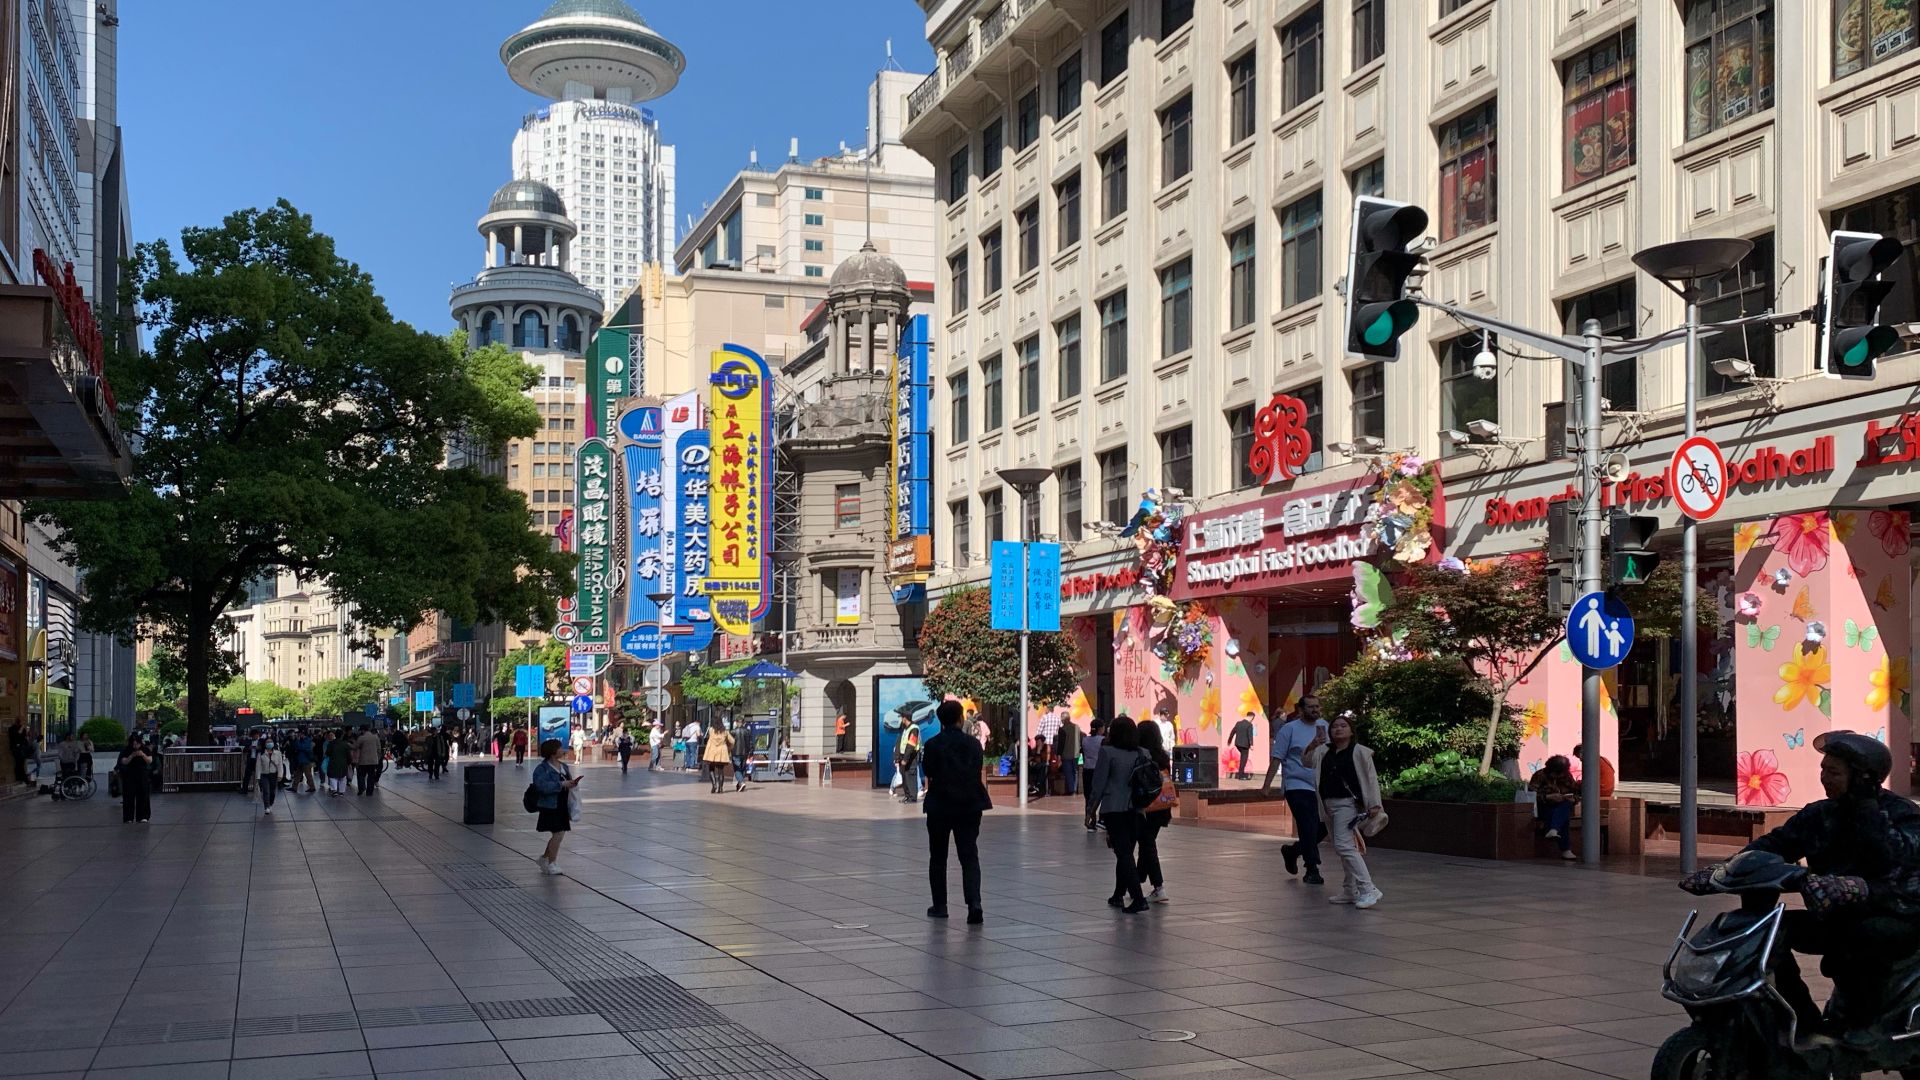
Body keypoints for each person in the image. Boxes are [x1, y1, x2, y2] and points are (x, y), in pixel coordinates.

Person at [1682, 732, 1920, 1036]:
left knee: (1865, 936)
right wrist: (1727, 869)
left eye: (1833, 772)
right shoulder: (1820, 814)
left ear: (1863, 778)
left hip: (1894, 917)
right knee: (1769, 933)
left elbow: (1895, 856)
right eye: (1822, 769)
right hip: (1836, 916)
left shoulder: (1902, 815)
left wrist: (1865, 812)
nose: (1824, 778)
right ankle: (1802, 1024)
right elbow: (1776, 843)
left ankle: (1862, 1027)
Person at [921, 699, 989, 923]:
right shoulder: (973, 744)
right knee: (969, 855)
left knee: (938, 857)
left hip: (940, 805)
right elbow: (977, 769)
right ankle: (974, 904)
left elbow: (929, 771)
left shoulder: (932, 745)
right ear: (961, 718)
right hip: (969, 804)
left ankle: (940, 905)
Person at [1306, 713, 1385, 907]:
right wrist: (1313, 744)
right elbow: (1307, 762)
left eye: (1343, 726)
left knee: (1344, 845)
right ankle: (1350, 890)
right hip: (1328, 804)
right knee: (1344, 846)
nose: (1338, 729)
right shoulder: (1324, 750)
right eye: (1334, 726)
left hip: (1347, 804)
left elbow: (1371, 778)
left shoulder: (1359, 752)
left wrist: (1375, 803)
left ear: (1351, 731)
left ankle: (1368, 888)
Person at [1262, 694, 1328, 886]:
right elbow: (1277, 758)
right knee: (1307, 823)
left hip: (1319, 785)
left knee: (1322, 826)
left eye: (1317, 706)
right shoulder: (1289, 729)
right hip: (1296, 785)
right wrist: (1266, 785)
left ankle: (1293, 851)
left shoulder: (1325, 727)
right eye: (1310, 707)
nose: (1315, 710)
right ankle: (1312, 868)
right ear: (1301, 710)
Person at [1090, 716, 1151, 913]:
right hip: (1137, 809)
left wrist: (1090, 810)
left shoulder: (1107, 752)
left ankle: (1138, 898)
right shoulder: (1143, 753)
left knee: (1123, 853)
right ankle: (1118, 894)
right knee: (1125, 852)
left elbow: (1098, 785)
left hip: (1115, 809)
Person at [530, 738, 582, 875]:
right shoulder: (542, 769)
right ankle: (552, 862)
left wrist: (571, 783)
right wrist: (560, 785)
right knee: (558, 833)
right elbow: (541, 786)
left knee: (559, 833)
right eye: (559, 748)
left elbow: (567, 781)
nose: (562, 750)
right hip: (550, 805)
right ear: (553, 751)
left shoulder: (564, 766)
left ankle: (545, 858)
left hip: (562, 804)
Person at [1135, 720, 1173, 904]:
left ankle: (1159, 887)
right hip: (1162, 807)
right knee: (1147, 843)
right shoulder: (1163, 757)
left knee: (1148, 845)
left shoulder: (1142, 756)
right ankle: (1137, 879)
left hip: (1146, 807)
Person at [1528, 755, 1580, 860]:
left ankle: (1554, 830)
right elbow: (1531, 796)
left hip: (1561, 806)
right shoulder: (1540, 775)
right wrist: (1548, 797)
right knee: (1562, 817)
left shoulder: (1567, 776)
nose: (1558, 776)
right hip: (1543, 807)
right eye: (1556, 773)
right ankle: (1565, 849)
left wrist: (1573, 799)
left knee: (1564, 807)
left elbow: (1576, 793)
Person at [116, 736, 153, 823]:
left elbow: (149, 760)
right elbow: (124, 761)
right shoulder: (126, 750)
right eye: (134, 744)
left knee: (143, 794)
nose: (135, 746)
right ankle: (128, 817)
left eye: (137, 743)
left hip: (142, 774)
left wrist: (142, 755)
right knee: (129, 796)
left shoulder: (145, 749)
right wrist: (132, 756)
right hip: (129, 775)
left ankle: (143, 816)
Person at [1081, 719, 1106, 832]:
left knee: (1088, 796)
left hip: (1087, 770)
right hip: (1098, 770)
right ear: (1101, 728)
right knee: (1099, 795)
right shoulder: (1103, 740)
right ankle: (1102, 820)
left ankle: (1091, 821)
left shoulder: (1085, 740)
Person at [256, 738, 287, 815]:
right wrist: (258, 777)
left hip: (274, 774)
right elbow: (258, 766)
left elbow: (280, 765)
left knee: (272, 792)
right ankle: (266, 807)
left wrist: (280, 775)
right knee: (266, 791)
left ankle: (270, 803)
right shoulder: (261, 754)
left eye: (271, 742)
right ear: (265, 744)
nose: (269, 743)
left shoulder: (278, 753)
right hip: (264, 775)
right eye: (267, 742)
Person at [703, 719, 734, 793]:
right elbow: (732, 741)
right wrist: (729, 748)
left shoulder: (711, 730)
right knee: (720, 771)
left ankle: (714, 784)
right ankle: (720, 788)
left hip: (711, 752)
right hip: (721, 752)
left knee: (711, 769)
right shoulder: (725, 731)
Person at [1055, 715, 1083, 799]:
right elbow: (1081, 737)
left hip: (1066, 754)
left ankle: (1072, 790)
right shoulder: (1077, 727)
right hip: (1076, 754)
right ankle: (1075, 789)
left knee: (1069, 773)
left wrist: (1059, 754)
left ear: (1064, 719)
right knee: (1075, 772)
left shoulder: (1062, 729)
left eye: (1061, 719)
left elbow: (1061, 743)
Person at [894, 722, 921, 803]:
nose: (900, 719)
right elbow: (899, 743)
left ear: (905, 718)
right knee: (905, 777)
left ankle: (912, 798)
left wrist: (905, 759)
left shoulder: (913, 729)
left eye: (902, 717)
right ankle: (907, 796)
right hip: (902, 757)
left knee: (911, 777)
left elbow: (911, 745)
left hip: (911, 757)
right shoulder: (905, 729)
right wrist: (897, 757)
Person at [354, 725, 383, 796]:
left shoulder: (361, 738)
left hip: (363, 761)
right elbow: (379, 749)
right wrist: (377, 758)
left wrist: (348, 744)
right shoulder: (375, 737)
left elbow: (355, 747)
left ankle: (362, 788)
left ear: (363, 730)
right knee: (371, 776)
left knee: (361, 775)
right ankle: (369, 792)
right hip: (373, 761)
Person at [1229, 711, 1257, 780]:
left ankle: (1240, 774)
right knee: (1243, 759)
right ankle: (1241, 775)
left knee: (1242, 758)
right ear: (1252, 717)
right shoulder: (1249, 725)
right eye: (1253, 719)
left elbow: (1233, 732)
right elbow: (1250, 735)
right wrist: (1251, 744)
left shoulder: (1238, 723)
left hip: (1238, 744)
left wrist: (1229, 740)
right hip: (1245, 745)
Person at [325, 729, 352, 796]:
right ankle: (341, 791)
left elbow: (327, 753)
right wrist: (349, 762)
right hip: (343, 763)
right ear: (342, 735)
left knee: (333, 777)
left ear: (335, 735)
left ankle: (334, 790)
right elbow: (349, 755)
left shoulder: (331, 743)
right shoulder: (345, 744)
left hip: (333, 763)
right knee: (342, 777)